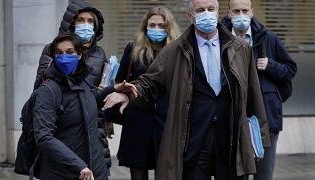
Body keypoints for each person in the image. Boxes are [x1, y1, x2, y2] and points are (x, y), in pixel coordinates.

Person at [103, 0, 271, 180]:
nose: (206, 13)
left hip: (230, 137)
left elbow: (253, 96)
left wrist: (258, 139)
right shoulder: (174, 50)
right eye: (200, 10)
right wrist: (128, 93)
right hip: (195, 139)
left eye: (210, 9)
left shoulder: (240, 48)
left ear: (217, 12)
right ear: (191, 16)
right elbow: (149, 82)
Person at [32, 32, 135, 180]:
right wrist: (78, 165)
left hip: (94, 168)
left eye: (69, 52)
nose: (63, 57)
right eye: (59, 53)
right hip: (63, 172)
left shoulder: (82, 80)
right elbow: (43, 137)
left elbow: (90, 100)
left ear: (79, 55)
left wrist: (114, 89)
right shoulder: (47, 91)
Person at [221, 0, 297, 180]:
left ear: (252, 12)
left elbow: (291, 69)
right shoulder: (220, 39)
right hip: (232, 119)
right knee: (235, 174)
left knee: (263, 174)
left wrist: (270, 65)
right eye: (236, 11)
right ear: (229, 13)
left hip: (265, 118)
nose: (241, 15)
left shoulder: (268, 39)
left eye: (245, 10)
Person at [33, 0, 112, 170]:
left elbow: (98, 93)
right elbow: (40, 88)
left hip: (93, 127)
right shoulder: (54, 50)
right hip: (65, 126)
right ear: (71, 23)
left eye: (90, 21)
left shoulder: (100, 53)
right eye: (80, 20)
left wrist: (107, 113)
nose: (86, 25)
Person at [114, 6, 181, 180]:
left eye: (161, 25)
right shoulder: (133, 49)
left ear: (169, 28)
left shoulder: (178, 51)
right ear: (145, 27)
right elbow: (120, 83)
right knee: (137, 171)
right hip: (137, 120)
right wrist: (108, 117)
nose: (156, 29)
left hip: (166, 121)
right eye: (152, 25)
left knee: (166, 172)